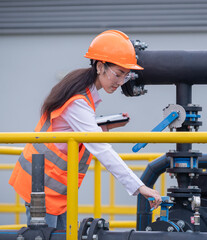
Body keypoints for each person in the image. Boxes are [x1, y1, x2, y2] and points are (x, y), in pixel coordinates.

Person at [9, 30, 162, 230]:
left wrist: (103, 126)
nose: (120, 82)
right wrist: (139, 186)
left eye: (125, 76)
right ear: (100, 66)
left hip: (52, 187)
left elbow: (71, 132)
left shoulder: (81, 91)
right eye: (118, 74)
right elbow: (101, 148)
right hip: (42, 187)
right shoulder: (78, 101)